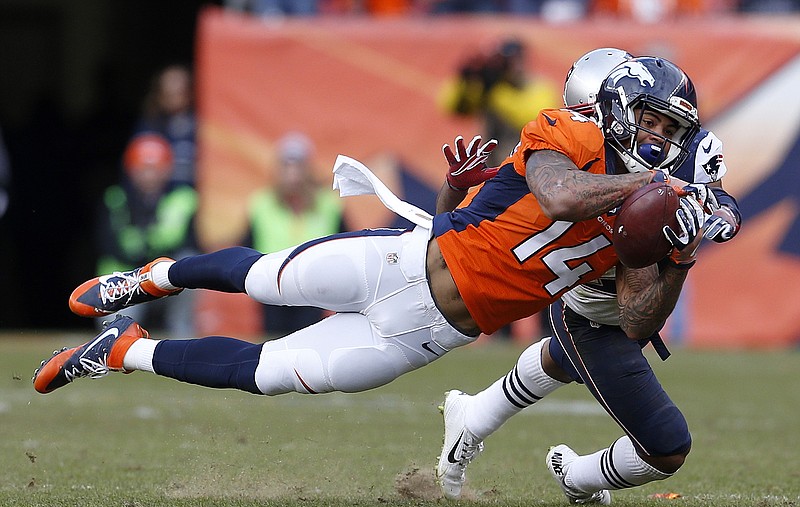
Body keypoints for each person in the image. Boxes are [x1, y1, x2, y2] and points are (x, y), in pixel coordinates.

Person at [33, 54, 706, 450]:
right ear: (615, 104)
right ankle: (156, 277)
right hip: (403, 264)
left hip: (428, 335)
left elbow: (639, 321)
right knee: (267, 278)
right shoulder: (567, 132)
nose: (656, 137)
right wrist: (650, 185)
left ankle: (120, 352)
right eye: (649, 119)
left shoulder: (647, 215)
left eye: (668, 130)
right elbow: (556, 198)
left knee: (265, 373)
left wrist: (675, 252)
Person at [436, 49, 742, 504]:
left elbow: (716, 192)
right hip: (591, 308)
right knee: (666, 445)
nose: (654, 136)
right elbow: (476, 220)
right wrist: (679, 250)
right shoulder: (569, 146)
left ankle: (474, 414)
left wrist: (719, 211)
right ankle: (578, 476)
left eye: (665, 124)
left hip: (592, 302)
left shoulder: (677, 148)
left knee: (562, 359)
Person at [92, 133, 199, 337]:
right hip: (125, 279)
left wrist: (147, 246)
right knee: (116, 333)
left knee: (191, 262)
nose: (149, 176)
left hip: (166, 279)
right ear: (131, 170)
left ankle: (182, 335)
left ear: (167, 170)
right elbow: (110, 245)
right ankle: (111, 343)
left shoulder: (184, 198)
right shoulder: (115, 199)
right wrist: (150, 245)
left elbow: (185, 242)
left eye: (155, 169)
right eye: (143, 169)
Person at [243, 132, 344, 337]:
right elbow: (246, 245)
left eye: (298, 166)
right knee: (273, 344)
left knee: (307, 344)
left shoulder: (329, 204)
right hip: (271, 287)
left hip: (312, 288)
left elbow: (344, 243)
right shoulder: (261, 203)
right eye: (286, 166)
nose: (292, 174)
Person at [439, 38, 560, 165]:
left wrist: (496, 92)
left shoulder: (539, 87)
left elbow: (534, 118)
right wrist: (464, 82)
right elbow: (454, 108)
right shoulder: (491, 85)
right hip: (490, 165)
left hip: (525, 164)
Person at [134, 64, 197, 189]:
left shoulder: (205, 125)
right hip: (160, 197)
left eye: (179, 90)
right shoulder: (150, 125)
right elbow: (134, 168)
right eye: (168, 91)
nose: (174, 94)